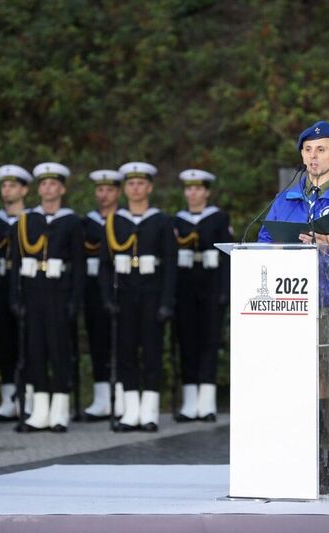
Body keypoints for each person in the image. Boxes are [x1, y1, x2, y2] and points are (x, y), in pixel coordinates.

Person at [257, 120, 329, 494]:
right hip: (292, 303)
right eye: (308, 150)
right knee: (295, 380)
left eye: (321, 149)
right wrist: (278, 248)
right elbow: (263, 241)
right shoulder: (286, 200)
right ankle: (298, 452)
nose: (313, 156)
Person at [99, 161, 177, 432]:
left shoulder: (161, 221)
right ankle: (131, 411)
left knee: (152, 352)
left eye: (140, 183)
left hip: (152, 293)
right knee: (126, 351)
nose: (135, 188)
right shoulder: (114, 222)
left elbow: (170, 265)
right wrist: (107, 298)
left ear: (150, 187)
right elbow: (105, 265)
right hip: (124, 294)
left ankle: (149, 411)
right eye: (131, 184)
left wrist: (166, 302)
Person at [12, 162, 84, 432]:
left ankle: (59, 409)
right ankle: (40, 410)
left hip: (59, 292)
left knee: (59, 351)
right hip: (33, 292)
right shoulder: (26, 221)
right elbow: (16, 263)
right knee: (35, 351)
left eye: (53, 183)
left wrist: (74, 300)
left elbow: (78, 265)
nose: (48, 188)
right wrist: (15, 298)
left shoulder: (71, 222)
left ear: (62, 189)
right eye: (43, 183)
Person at [173, 169, 232, 423]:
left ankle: (207, 403)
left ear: (207, 192)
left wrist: (225, 290)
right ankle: (189, 402)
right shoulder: (178, 220)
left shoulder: (218, 218)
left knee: (209, 341)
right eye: (189, 188)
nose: (193, 193)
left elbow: (228, 258)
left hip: (211, 285)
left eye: (198, 188)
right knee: (187, 341)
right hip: (185, 286)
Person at [0, 164, 32, 422]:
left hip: (27, 285)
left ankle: (28, 395)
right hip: (1, 285)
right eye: (4, 185)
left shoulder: (32, 220)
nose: (7, 190)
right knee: (4, 341)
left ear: (24, 190)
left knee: (28, 342)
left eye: (13, 185)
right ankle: (8, 398)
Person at [82, 169, 125, 421]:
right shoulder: (86, 223)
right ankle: (101, 397)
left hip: (121, 286)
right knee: (97, 341)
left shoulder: (125, 221)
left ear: (117, 193)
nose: (104, 195)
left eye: (109, 190)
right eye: (100, 190)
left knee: (123, 341)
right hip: (93, 289)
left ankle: (121, 395)